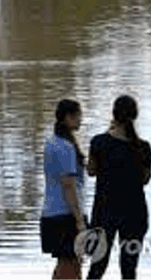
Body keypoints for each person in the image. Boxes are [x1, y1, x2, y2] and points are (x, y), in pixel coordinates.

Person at [86, 95, 151, 279]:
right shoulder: (143, 147)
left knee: (97, 267)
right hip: (134, 212)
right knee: (129, 269)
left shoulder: (99, 142)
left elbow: (91, 171)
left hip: (104, 211)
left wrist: (108, 132)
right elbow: (145, 179)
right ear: (135, 116)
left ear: (114, 115)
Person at [40, 99, 88, 279]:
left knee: (68, 263)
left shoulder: (51, 142)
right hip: (65, 214)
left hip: (51, 212)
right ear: (68, 117)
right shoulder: (66, 147)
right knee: (71, 264)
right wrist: (79, 221)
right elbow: (68, 185)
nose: (80, 120)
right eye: (78, 116)